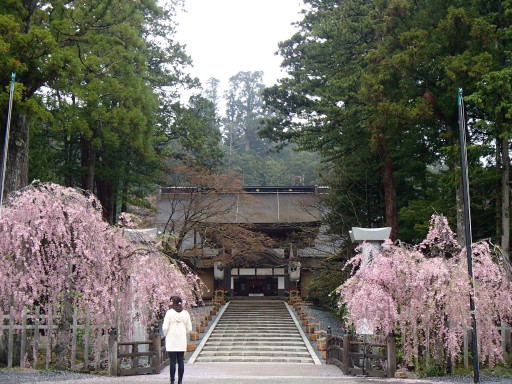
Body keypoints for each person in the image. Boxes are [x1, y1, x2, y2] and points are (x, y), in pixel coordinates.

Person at [162, 295, 192, 384]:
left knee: (172, 361)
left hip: (171, 339)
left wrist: (167, 334)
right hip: (181, 340)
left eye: (171, 301)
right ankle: (180, 381)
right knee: (180, 361)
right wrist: (183, 333)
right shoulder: (185, 313)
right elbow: (189, 328)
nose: (170, 303)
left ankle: (172, 381)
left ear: (174, 302)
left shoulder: (169, 313)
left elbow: (165, 327)